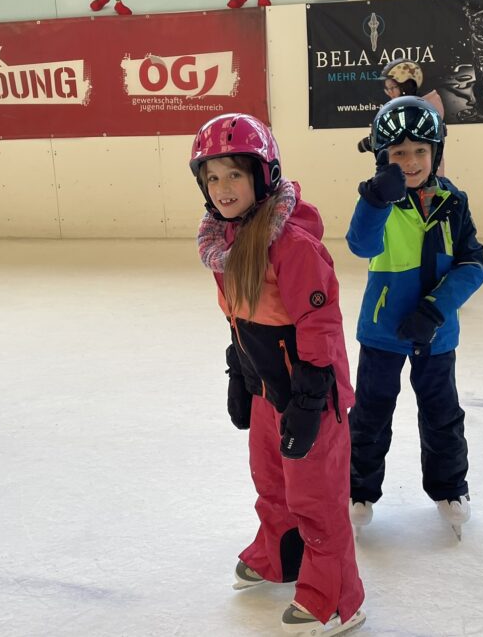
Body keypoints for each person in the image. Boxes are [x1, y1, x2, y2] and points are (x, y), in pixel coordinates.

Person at [190, 114, 366, 635]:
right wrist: (239, 372)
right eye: (213, 177)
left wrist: (311, 399)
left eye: (235, 175)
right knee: (271, 482)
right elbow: (242, 316)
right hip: (268, 389)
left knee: (316, 497)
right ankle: (281, 558)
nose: (223, 188)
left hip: (310, 395)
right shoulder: (224, 243)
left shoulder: (292, 245)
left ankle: (339, 598)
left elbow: (321, 325)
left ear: (263, 176)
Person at [345, 96, 483, 539]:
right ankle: (356, 489)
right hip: (383, 333)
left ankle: (450, 487)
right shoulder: (379, 202)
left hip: (437, 333)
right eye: (399, 153)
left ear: (436, 152)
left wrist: (435, 308)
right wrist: (373, 201)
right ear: (382, 158)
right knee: (370, 412)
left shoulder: (454, 202)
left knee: (442, 413)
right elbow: (361, 246)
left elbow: (473, 264)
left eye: (420, 151)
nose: (411, 161)